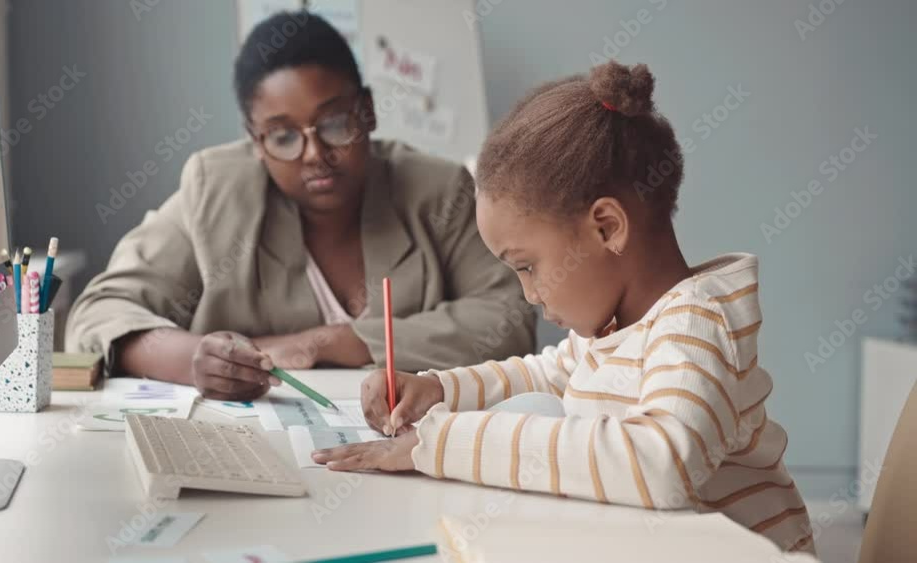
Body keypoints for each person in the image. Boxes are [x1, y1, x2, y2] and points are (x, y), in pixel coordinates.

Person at [312, 61, 814, 554]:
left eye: (527, 266)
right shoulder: (617, 327)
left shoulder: (694, 325)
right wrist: (439, 388)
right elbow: (551, 376)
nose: (530, 294)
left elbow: (659, 465)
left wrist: (443, 442)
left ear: (607, 228)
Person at [65, 12, 534, 401]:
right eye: (283, 135)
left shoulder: (436, 189)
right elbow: (99, 313)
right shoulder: (215, 191)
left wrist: (332, 342)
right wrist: (194, 360)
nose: (314, 154)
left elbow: (509, 317)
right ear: (255, 141)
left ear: (367, 110)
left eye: (334, 123)